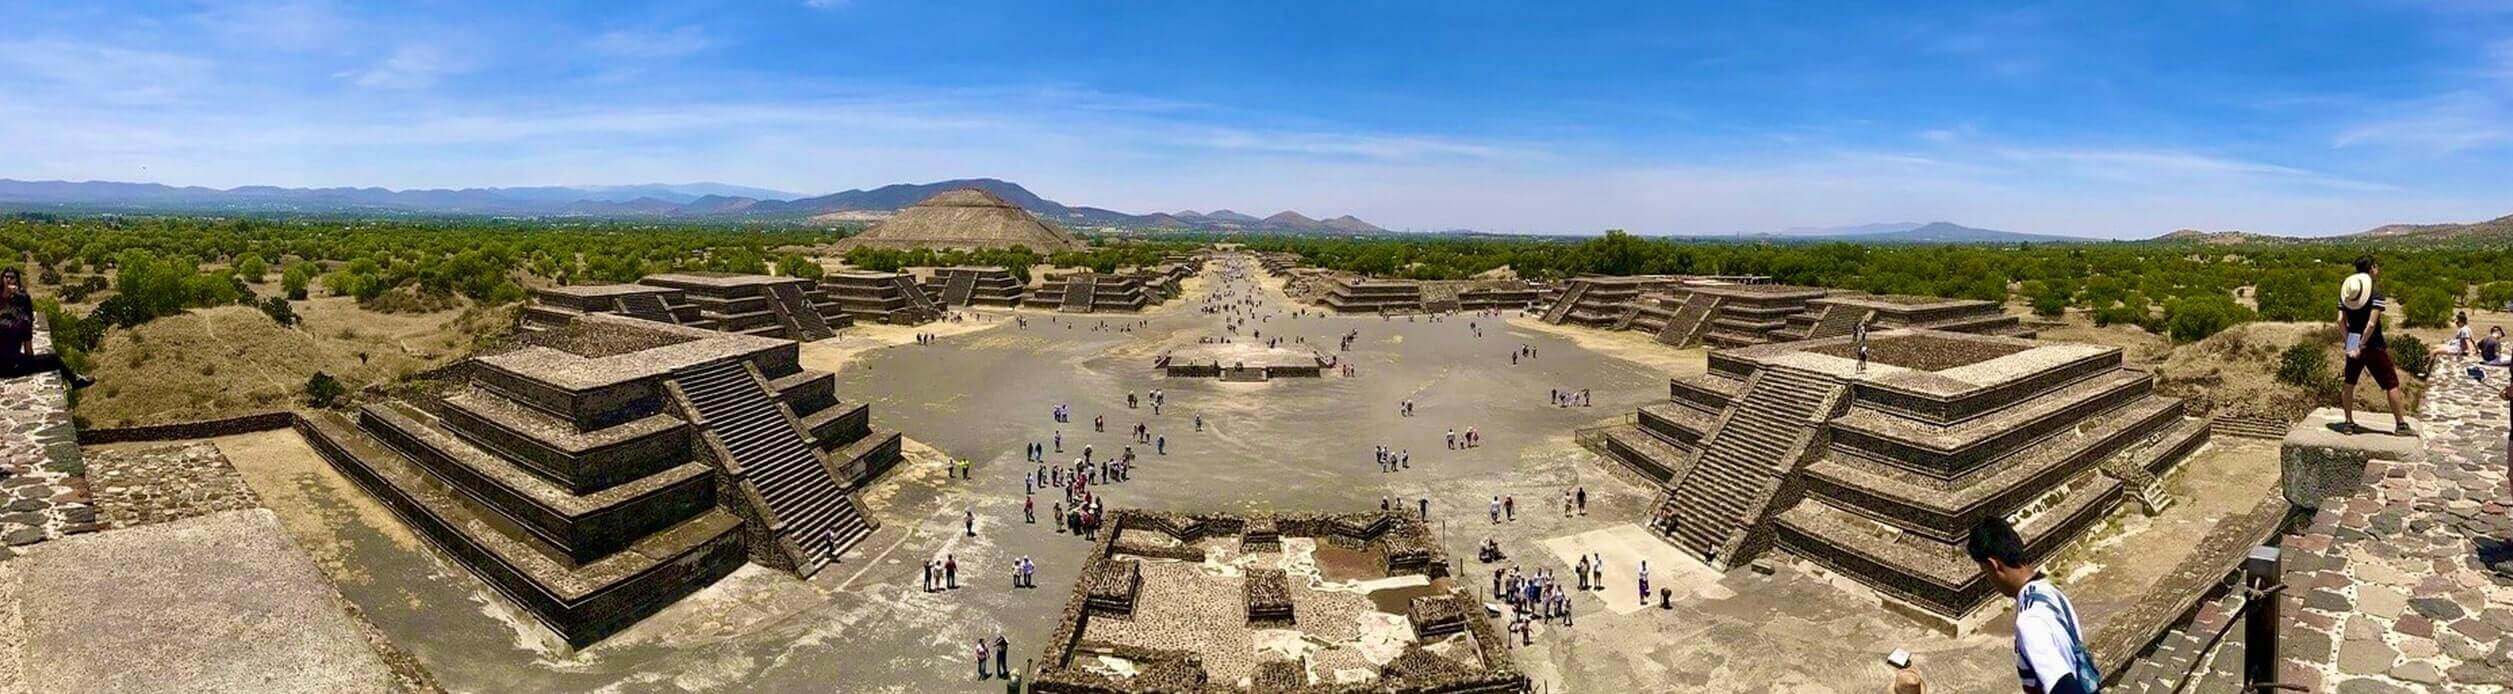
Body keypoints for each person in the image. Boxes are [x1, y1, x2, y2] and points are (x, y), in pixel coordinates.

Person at [1969, 517, 2101, 694]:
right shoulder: (2050, 591)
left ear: (1994, 566)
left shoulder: (2029, 622)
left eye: (1986, 573)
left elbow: (2064, 688)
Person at [2336, 256, 2413, 436]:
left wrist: (2350, 342)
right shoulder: (2375, 293)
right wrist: (2363, 343)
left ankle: (2348, 422)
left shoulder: (2346, 292)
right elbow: (2371, 324)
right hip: (2373, 342)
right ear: (2372, 269)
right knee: (2391, 383)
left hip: (2352, 339)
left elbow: (2340, 321)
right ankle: (2400, 424)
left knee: (2349, 382)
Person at [0, 268, 91, 386]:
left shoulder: (20, 321)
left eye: (12, 277)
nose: (8, 280)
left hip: (10, 362)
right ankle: (75, 380)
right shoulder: (16, 319)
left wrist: (29, 361)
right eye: (6, 277)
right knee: (52, 359)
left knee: (51, 359)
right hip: (7, 365)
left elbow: (27, 341)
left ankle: (75, 380)